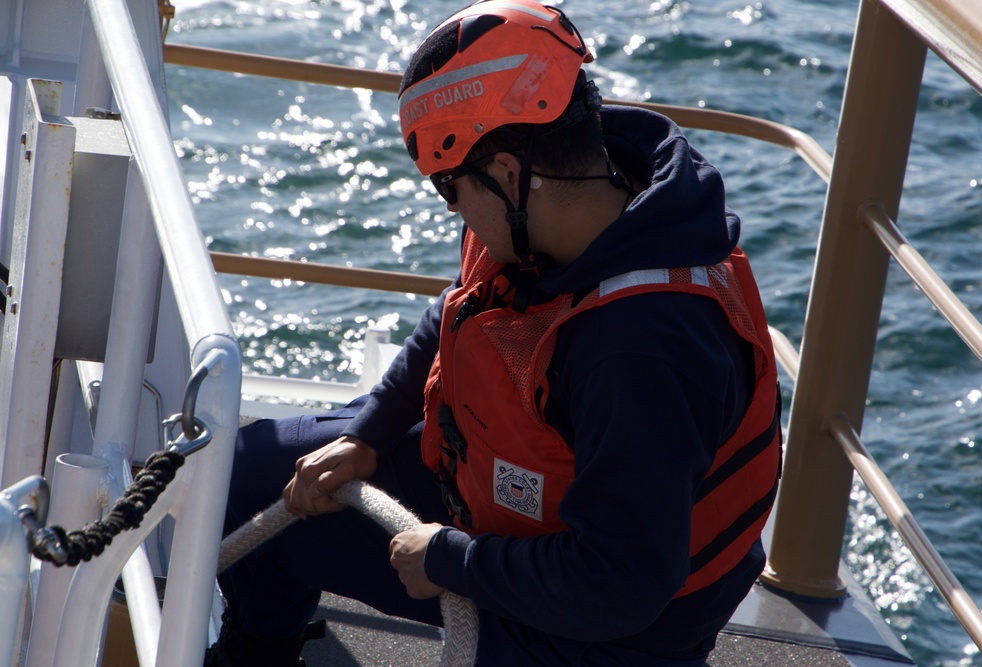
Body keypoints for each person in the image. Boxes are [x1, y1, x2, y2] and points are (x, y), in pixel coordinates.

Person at [205, 0, 782, 665]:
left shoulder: (641, 346)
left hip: (603, 626)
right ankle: (254, 651)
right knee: (249, 476)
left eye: (449, 188)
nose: (449, 208)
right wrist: (367, 431)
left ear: (508, 172)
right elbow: (457, 311)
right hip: (486, 504)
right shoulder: (546, 213)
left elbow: (621, 584)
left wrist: (452, 559)